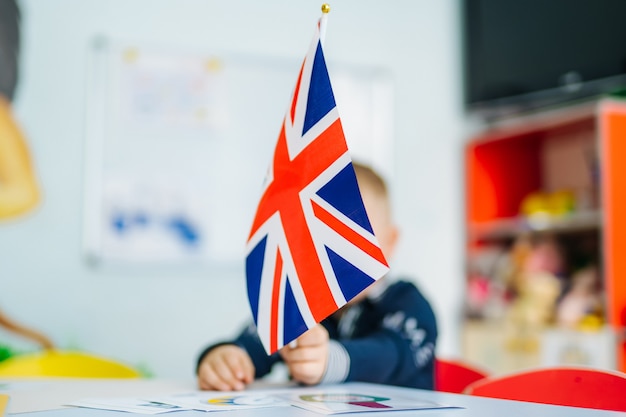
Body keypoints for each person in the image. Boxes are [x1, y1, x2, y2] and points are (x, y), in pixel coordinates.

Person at [196, 162, 437, 391]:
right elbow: (254, 342)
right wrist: (227, 359)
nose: (339, 255)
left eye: (357, 238)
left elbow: (392, 354)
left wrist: (330, 360)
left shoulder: (408, 302)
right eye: (322, 237)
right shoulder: (298, 303)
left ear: (391, 241)